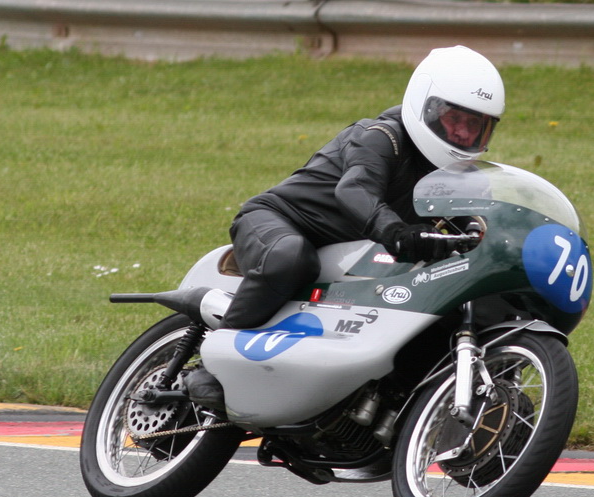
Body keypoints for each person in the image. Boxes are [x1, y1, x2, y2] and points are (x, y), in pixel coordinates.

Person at [185, 45, 505, 409]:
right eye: (454, 119)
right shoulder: (382, 137)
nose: (463, 133)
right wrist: (398, 233)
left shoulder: (461, 178)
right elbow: (354, 190)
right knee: (291, 258)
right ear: (427, 108)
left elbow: (481, 228)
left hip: (352, 257)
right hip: (280, 221)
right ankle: (212, 365)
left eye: (475, 125)